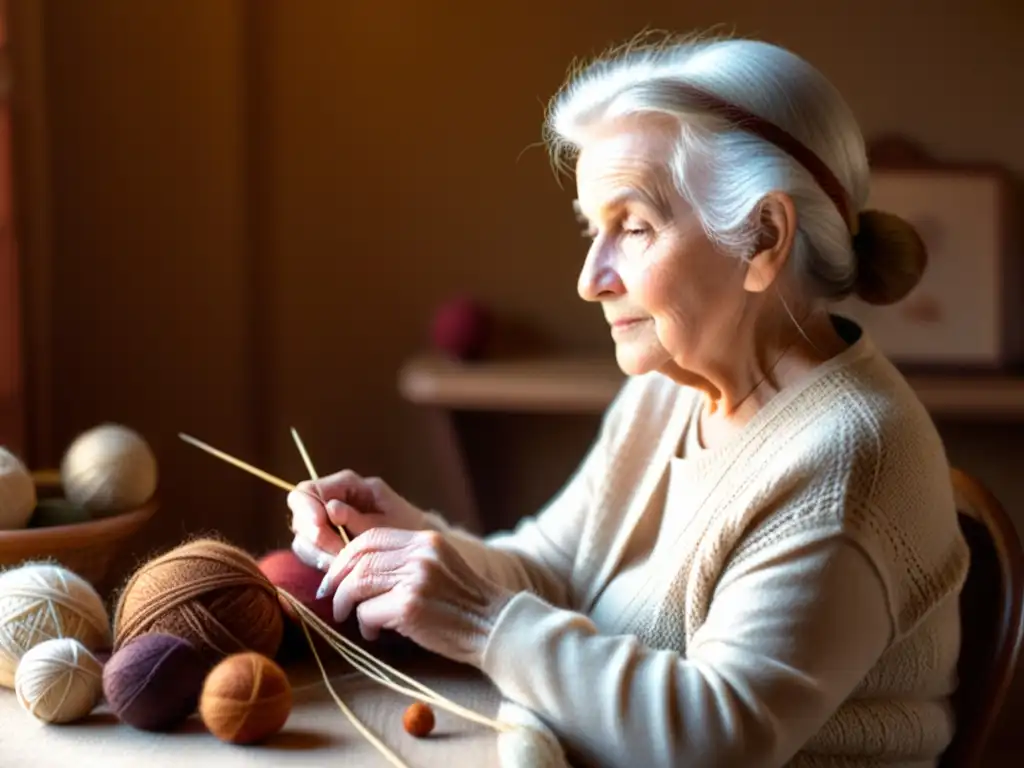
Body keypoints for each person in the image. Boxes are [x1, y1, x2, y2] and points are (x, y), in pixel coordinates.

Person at [288, 33, 970, 768]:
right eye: (593, 230)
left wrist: (479, 620)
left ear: (763, 238)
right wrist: (415, 541)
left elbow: (718, 738)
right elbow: (556, 572)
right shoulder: (666, 388)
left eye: (633, 227)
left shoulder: (849, 455)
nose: (590, 278)